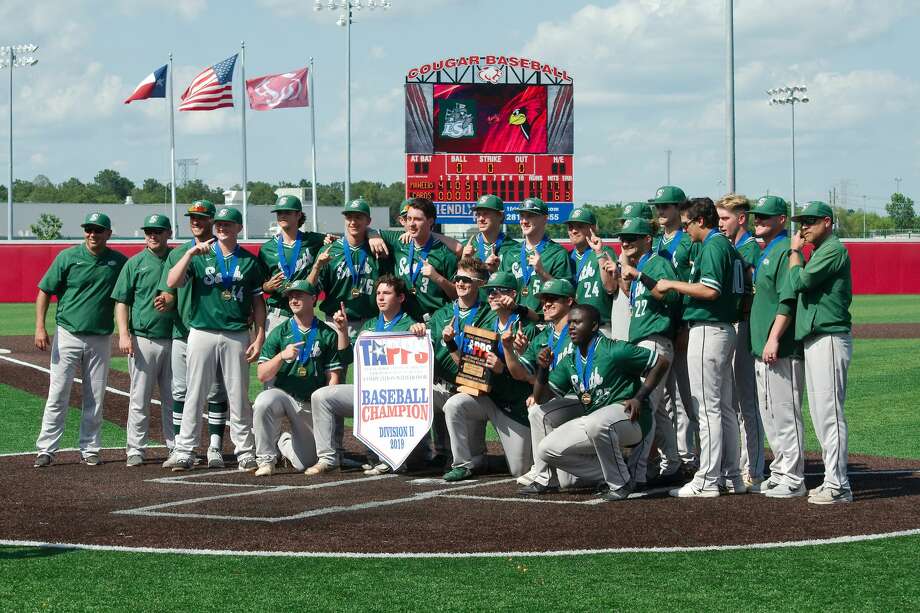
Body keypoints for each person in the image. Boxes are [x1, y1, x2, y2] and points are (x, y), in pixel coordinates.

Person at [523, 304, 670, 500]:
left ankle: (620, 484)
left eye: (577, 322)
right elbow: (541, 399)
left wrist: (639, 397)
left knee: (596, 421)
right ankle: (618, 471)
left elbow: (661, 362)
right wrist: (542, 369)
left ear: (593, 326)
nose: (572, 327)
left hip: (631, 419)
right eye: (570, 323)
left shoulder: (614, 350)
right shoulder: (570, 361)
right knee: (546, 450)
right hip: (597, 421)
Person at [655, 197, 746, 497]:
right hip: (720, 328)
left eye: (688, 223)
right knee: (723, 408)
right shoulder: (724, 245)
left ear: (701, 221)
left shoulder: (714, 245)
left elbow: (710, 290)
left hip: (709, 327)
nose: (686, 229)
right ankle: (732, 475)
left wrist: (671, 284)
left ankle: (707, 479)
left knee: (707, 409)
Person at [166, 206, 266, 472]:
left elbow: (258, 302)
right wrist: (188, 253)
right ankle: (185, 450)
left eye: (228, 224)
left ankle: (244, 450)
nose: (222, 227)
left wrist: (259, 335)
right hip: (202, 330)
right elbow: (172, 281)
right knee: (194, 393)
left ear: (238, 228)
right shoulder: (200, 256)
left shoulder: (248, 261)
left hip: (236, 332)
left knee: (238, 394)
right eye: (219, 223)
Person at [33, 212, 128, 468]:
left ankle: (90, 448)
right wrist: (40, 327)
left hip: (100, 337)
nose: (92, 234)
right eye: (89, 229)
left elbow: (129, 294)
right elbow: (44, 291)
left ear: (108, 233)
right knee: (58, 393)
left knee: (95, 395)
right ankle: (47, 449)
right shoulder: (68, 257)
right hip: (68, 333)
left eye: (98, 230)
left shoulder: (118, 262)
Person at [306, 274, 420, 476]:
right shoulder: (369, 326)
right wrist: (342, 331)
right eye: (378, 293)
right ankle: (328, 458)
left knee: (389, 398)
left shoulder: (410, 325)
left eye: (386, 293)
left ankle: (391, 457)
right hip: (368, 392)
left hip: (398, 396)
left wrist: (419, 331)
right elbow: (346, 357)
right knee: (321, 396)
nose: (381, 298)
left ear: (401, 298)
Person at [440, 271, 536, 481]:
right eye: (489, 291)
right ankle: (463, 464)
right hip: (488, 398)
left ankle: (489, 461)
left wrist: (502, 367)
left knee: (520, 470)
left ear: (512, 294)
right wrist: (450, 344)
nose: (491, 295)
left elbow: (527, 377)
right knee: (454, 404)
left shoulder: (524, 328)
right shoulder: (485, 325)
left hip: (515, 405)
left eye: (498, 291)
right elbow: (467, 365)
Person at [788, 201, 854, 504]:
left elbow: (799, 280)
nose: (803, 227)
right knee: (819, 413)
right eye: (802, 222)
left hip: (829, 335)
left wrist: (794, 252)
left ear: (827, 222)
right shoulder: (821, 250)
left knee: (829, 412)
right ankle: (832, 479)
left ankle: (839, 485)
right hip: (816, 337)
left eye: (810, 221)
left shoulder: (832, 249)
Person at [157, 200, 230, 469]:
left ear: (212, 220)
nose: (196, 221)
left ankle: (214, 447)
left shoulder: (223, 250)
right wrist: (167, 300)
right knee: (180, 390)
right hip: (182, 331)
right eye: (192, 217)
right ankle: (180, 447)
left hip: (214, 331)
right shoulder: (179, 254)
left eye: (201, 217)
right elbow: (169, 290)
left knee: (214, 391)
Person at [615, 217, 683, 488]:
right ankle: (673, 464)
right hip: (645, 342)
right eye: (623, 237)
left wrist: (641, 276)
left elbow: (673, 297)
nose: (626, 241)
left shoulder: (658, 263)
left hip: (655, 342)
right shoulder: (638, 266)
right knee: (658, 412)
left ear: (648, 239)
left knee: (643, 406)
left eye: (633, 236)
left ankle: (637, 472)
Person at [252, 280, 345, 476]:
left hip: (311, 403)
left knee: (305, 463)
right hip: (285, 396)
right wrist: (281, 357)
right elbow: (262, 374)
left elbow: (333, 377)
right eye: (291, 296)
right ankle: (266, 460)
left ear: (313, 299)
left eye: (299, 295)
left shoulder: (327, 333)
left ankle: (283, 442)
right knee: (262, 402)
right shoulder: (280, 331)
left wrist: (325, 412)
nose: (293, 299)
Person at [748, 195, 806, 498]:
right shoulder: (768, 251)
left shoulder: (785, 251)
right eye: (757, 216)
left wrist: (774, 337)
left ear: (781, 219)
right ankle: (780, 470)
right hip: (763, 346)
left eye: (765, 217)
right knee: (769, 412)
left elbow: (789, 298)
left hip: (781, 347)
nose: (759, 220)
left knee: (785, 412)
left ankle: (794, 478)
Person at [501, 279, 579, 488]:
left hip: (580, 399)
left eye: (552, 299)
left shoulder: (580, 331)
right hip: (556, 400)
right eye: (543, 300)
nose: (545, 304)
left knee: (538, 410)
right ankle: (550, 469)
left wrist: (538, 395)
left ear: (569, 301)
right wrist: (508, 349)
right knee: (568, 481)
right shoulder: (543, 336)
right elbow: (519, 373)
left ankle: (541, 472)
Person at [112, 214, 176, 466]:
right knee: (139, 398)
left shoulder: (177, 259)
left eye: (158, 231)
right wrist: (124, 334)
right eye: (149, 231)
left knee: (173, 399)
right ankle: (135, 449)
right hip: (143, 339)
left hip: (174, 339)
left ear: (168, 233)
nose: (152, 235)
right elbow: (121, 301)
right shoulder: (135, 263)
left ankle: (176, 447)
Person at [648, 186, 698, 477]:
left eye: (667, 206)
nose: (661, 211)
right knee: (664, 398)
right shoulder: (654, 242)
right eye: (659, 206)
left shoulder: (689, 241)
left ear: (680, 208)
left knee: (683, 395)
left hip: (680, 323)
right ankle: (673, 457)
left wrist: (685, 326)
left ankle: (689, 455)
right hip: (659, 323)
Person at [716, 193, 764, 487]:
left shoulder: (751, 250)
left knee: (747, 402)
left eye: (725, 218)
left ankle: (754, 471)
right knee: (729, 403)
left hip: (746, 326)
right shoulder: (728, 247)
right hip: (730, 325)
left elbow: (754, 293)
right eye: (719, 218)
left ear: (741, 218)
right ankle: (735, 466)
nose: (720, 224)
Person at [309, 197, 389, 339]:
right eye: (349, 217)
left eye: (358, 217)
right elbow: (312, 289)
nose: (353, 222)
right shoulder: (329, 250)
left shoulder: (378, 248)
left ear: (368, 221)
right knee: (336, 362)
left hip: (371, 322)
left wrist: (373, 233)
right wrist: (317, 267)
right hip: (335, 320)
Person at [376, 197, 458, 323]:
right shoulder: (399, 242)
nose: (411, 224)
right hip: (404, 321)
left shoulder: (444, 254)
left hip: (435, 321)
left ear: (430, 221)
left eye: (417, 219)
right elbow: (364, 230)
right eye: (409, 219)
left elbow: (457, 295)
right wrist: (372, 236)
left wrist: (438, 278)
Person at [258, 195, 330, 334]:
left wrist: (372, 234)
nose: (282, 216)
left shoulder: (314, 240)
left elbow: (338, 241)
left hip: (305, 315)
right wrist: (268, 286)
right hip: (278, 315)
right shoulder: (267, 249)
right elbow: (259, 286)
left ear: (298, 215)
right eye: (279, 213)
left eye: (287, 212)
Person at [500, 197, 572, 312]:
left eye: (530, 216)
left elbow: (566, 294)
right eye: (522, 216)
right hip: (514, 320)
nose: (524, 221)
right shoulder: (510, 253)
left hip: (544, 322)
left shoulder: (557, 252)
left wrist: (542, 272)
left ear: (544, 219)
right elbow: (501, 289)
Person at [565, 207, 618, 336]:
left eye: (580, 226)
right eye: (570, 226)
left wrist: (599, 253)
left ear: (593, 228)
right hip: (573, 327)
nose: (573, 230)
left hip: (600, 326)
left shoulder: (605, 251)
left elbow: (611, 287)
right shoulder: (567, 258)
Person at [460, 194, 519, 273]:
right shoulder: (466, 247)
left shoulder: (514, 248)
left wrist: (494, 272)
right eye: (478, 214)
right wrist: (463, 259)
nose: (481, 219)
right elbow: (455, 283)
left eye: (486, 213)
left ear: (500, 216)